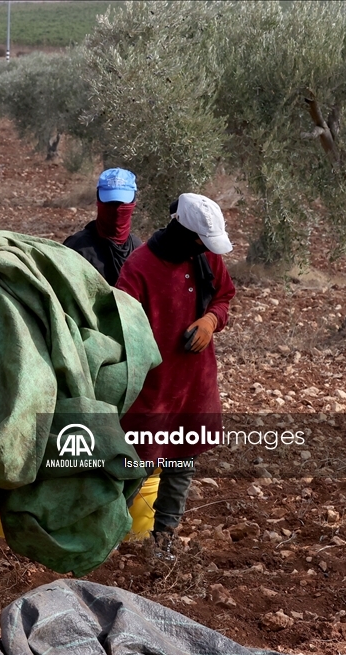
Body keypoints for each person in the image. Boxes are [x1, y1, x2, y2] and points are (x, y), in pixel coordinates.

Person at [115, 193, 236, 560]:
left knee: (180, 464)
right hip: (152, 389)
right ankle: (104, 539)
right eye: (200, 241)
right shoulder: (139, 268)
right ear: (184, 232)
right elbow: (119, 325)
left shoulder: (207, 256)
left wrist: (211, 320)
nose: (203, 248)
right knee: (133, 467)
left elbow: (225, 295)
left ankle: (163, 541)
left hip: (194, 385)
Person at [63, 168, 142, 284]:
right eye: (110, 204)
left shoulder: (138, 251)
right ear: (98, 201)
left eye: (121, 204)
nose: (116, 209)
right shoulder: (77, 249)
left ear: (133, 203)